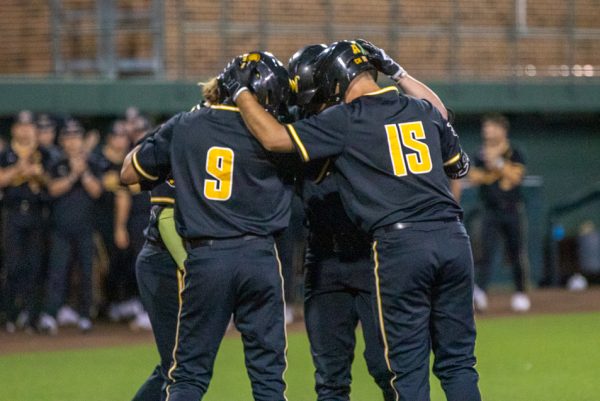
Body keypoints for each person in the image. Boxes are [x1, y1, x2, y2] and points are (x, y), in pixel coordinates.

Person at [226, 40, 481, 401]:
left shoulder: (344, 120)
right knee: (456, 364)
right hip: (449, 237)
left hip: (393, 248)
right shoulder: (418, 109)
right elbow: (448, 135)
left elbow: (274, 138)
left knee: (401, 371)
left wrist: (238, 91)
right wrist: (398, 71)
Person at [121, 52, 294, 401]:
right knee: (269, 380)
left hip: (208, 256)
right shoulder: (280, 134)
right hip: (261, 257)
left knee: (187, 376)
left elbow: (129, 173)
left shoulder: (187, 125)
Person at [288, 43, 395, 401]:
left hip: (373, 257)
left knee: (389, 368)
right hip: (323, 260)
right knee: (330, 379)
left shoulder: (364, 122)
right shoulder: (300, 129)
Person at [38, 120, 105, 334]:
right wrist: (73, 174)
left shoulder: (93, 162)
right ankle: (51, 314)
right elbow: (52, 189)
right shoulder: (55, 162)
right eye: (68, 137)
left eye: (76, 137)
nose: (72, 141)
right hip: (61, 228)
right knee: (57, 273)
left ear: (81, 139)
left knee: (86, 273)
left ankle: (85, 316)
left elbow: (97, 191)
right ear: (63, 141)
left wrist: (83, 172)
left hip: (86, 228)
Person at [468, 113, 529, 312]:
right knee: (485, 252)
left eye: (491, 127)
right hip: (490, 210)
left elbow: (516, 177)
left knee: (516, 252)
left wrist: (499, 164)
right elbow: (473, 176)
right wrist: (492, 170)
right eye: (486, 127)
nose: (487, 131)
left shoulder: (514, 152)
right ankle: (481, 292)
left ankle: (520, 293)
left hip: (512, 209)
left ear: (502, 130)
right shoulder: (480, 154)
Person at [0, 120, 52, 332]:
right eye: (21, 125)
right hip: (12, 213)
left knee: (35, 266)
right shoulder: (6, 154)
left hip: (36, 213)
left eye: (29, 126)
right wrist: (19, 170)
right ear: (14, 130)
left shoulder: (44, 154)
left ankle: (32, 317)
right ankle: (9, 314)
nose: (25, 129)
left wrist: (38, 175)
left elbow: (52, 183)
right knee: (13, 266)